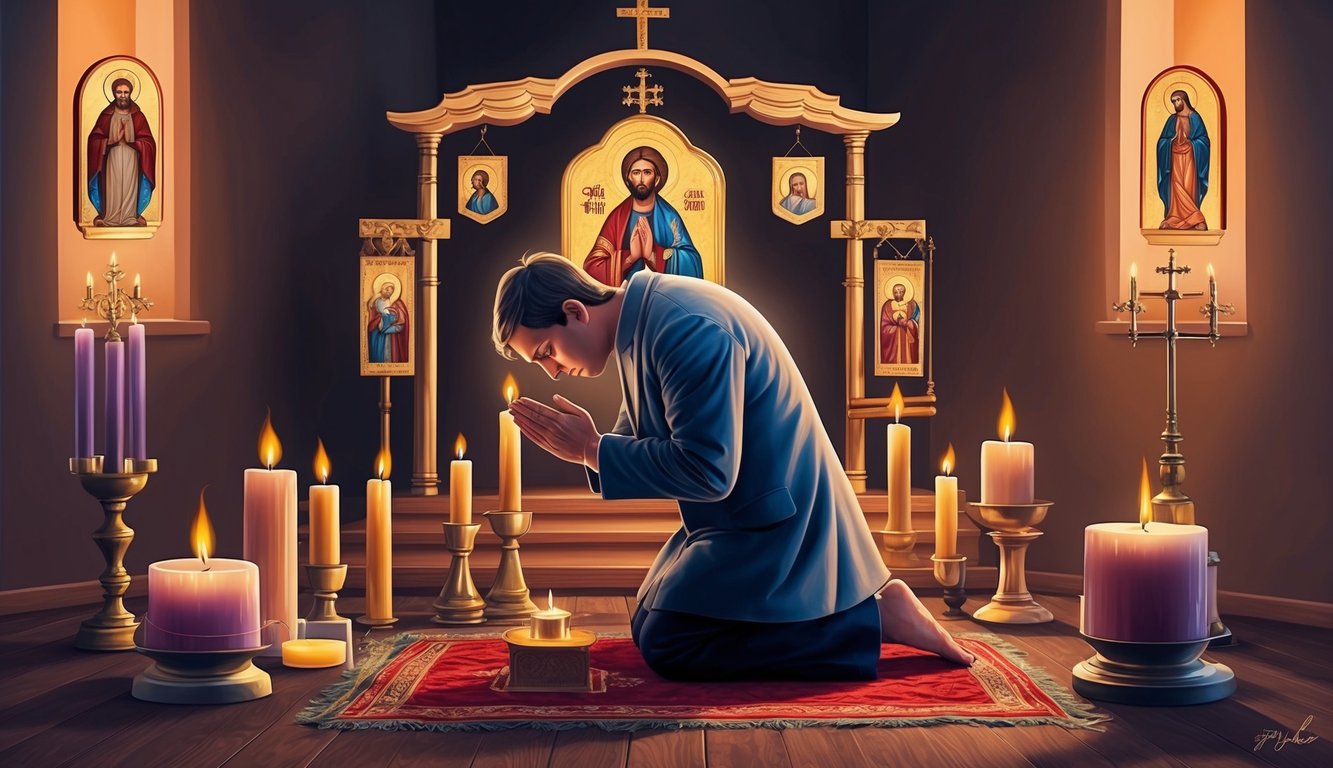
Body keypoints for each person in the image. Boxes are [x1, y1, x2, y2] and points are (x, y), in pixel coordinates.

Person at [492, 253, 973, 681]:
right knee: (646, 623)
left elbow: (708, 470)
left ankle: (867, 620)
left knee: (669, 642)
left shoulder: (684, 326)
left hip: (782, 523)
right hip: (734, 518)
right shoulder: (643, 325)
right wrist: (590, 446)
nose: (552, 371)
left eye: (546, 353)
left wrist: (593, 449)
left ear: (574, 312)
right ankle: (855, 617)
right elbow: (648, 434)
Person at [583, 146, 703, 286]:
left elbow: (692, 261)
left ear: (657, 179)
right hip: (624, 296)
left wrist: (652, 256)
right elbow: (592, 266)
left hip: (660, 296)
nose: (641, 179)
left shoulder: (670, 217)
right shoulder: (617, 218)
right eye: (635, 172)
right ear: (628, 178)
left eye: (647, 172)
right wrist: (630, 258)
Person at [87, 78, 156, 227]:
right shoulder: (106, 116)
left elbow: (149, 141)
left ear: (130, 93)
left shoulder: (138, 116)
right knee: (114, 186)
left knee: (129, 188)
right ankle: (110, 217)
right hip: (112, 159)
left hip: (132, 159)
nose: (123, 95)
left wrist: (135, 143)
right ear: (114, 93)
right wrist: (109, 142)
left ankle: (130, 217)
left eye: (126, 92)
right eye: (119, 92)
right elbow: (94, 139)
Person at [1156, 89, 1210, 230]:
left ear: (1184, 100)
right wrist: (1169, 142)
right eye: (1173, 101)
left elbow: (1204, 140)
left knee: (1188, 185)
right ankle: (1173, 218)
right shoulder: (1171, 119)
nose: (1175, 103)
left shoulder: (1195, 118)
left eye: (1177, 100)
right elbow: (1162, 140)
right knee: (1175, 185)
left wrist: (1192, 144)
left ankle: (1195, 218)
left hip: (1191, 157)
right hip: (1173, 157)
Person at [367, 280, 409, 363]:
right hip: (378, 329)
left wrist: (389, 326)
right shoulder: (376, 301)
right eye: (386, 290)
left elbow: (401, 321)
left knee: (389, 351)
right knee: (378, 351)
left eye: (391, 292)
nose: (388, 293)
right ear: (382, 289)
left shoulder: (396, 303)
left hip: (390, 331)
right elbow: (372, 312)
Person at [880, 281, 920, 365]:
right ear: (892, 293)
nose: (898, 294)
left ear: (904, 293)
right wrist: (892, 328)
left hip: (907, 337)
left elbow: (916, 321)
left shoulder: (911, 305)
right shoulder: (887, 305)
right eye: (896, 292)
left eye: (901, 292)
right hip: (894, 338)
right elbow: (884, 324)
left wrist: (909, 323)